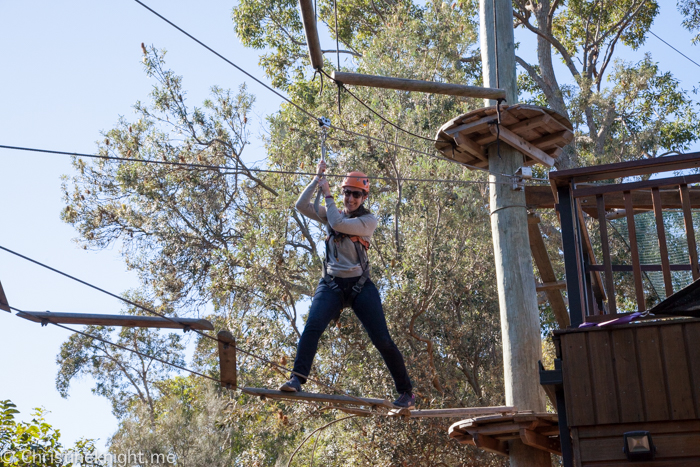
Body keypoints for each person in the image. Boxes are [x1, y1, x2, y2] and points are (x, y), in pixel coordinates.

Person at [280, 161, 415, 408]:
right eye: (347, 193)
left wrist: (328, 194)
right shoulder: (334, 213)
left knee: (382, 339)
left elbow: (339, 224)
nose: (350, 199)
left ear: (363, 197)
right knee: (312, 328)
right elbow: (301, 206)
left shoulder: (368, 221)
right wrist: (316, 180)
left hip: (360, 287)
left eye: (356, 194)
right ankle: (297, 379)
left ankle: (406, 391)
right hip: (331, 284)